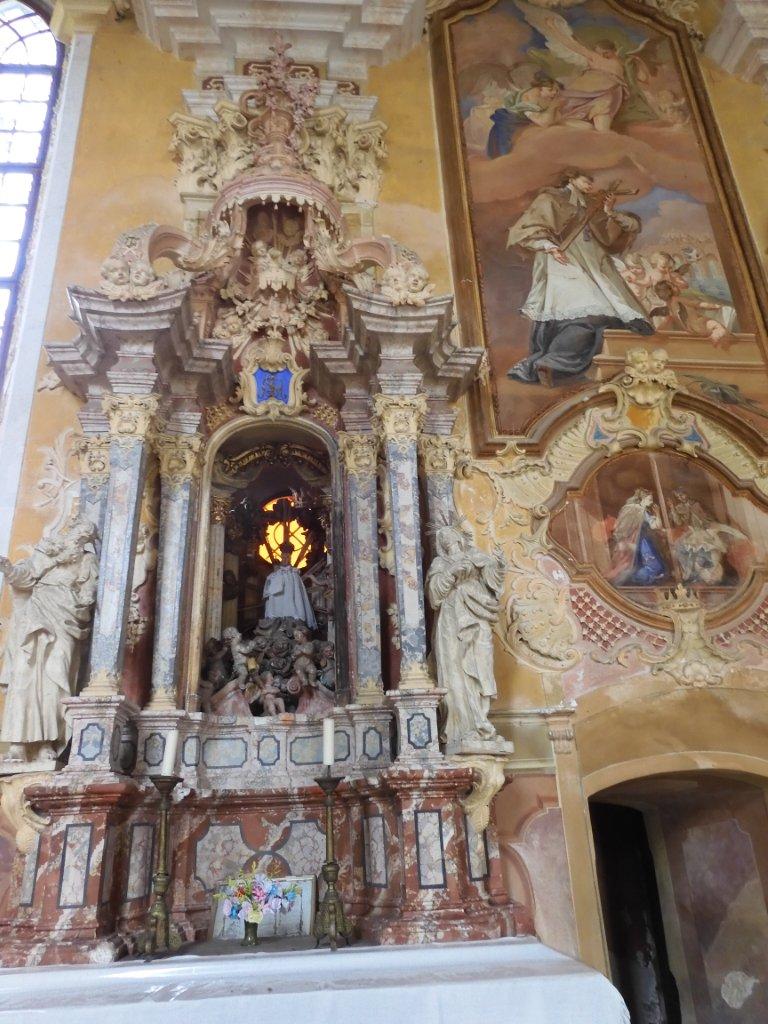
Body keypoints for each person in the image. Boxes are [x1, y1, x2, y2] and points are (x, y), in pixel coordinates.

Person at [506, 169, 653, 386]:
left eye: (592, 180)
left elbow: (631, 227)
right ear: (571, 178)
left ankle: (551, 362)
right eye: (586, 179)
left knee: (599, 315)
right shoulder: (550, 199)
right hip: (563, 262)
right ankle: (551, 362)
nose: (591, 184)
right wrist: (549, 246)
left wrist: (609, 211)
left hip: (593, 265)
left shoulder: (593, 204)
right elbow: (526, 230)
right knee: (585, 312)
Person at [0, 518, 99, 761]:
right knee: (24, 674)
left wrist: (84, 600)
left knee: (56, 677)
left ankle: (47, 741)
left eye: (86, 537)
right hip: (37, 615)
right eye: (79, 532)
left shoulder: (88, 561)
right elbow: (26, 575)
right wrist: (10, 570)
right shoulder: (49, 549)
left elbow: (89, 591)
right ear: (70, 531)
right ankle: (17, 743)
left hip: (66, 618)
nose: (80, 538)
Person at [425, 525, 509, 752]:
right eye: (442, 537)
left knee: (481, 666)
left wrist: (500, 565)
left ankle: (481, 721)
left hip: (478, 614)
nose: (447, 538)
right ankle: (462, 727)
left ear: (460, 537)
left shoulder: (475, 556)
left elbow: (493, 579)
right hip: (451, 620)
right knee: (455, 670)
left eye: (450, 534)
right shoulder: (440, 564)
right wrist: (451, 572)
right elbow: (434, 595)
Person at [607, 489, 668, 586]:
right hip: (637, 540)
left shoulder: (638, 510)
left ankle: (636, 578)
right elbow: (655, 526)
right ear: (643, 498)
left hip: (638, 539)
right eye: (650, 499)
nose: (651, 502)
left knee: (641, 562)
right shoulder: (639, 510)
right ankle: (635, 578)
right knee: (645, 562)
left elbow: (656, 526)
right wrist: (657, 513)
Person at [262, 544, 317, 628]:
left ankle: (293, 618)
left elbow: (298, 592)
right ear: (281, 556)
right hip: (278, 599)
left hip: (291, 597)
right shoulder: (276, 574)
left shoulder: (294, 573)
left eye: (287, 557)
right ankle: (277, 620)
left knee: (294, 601)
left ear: (290, 558)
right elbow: (270, 585)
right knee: (275, 603)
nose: (285, 559)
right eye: (284, 557)